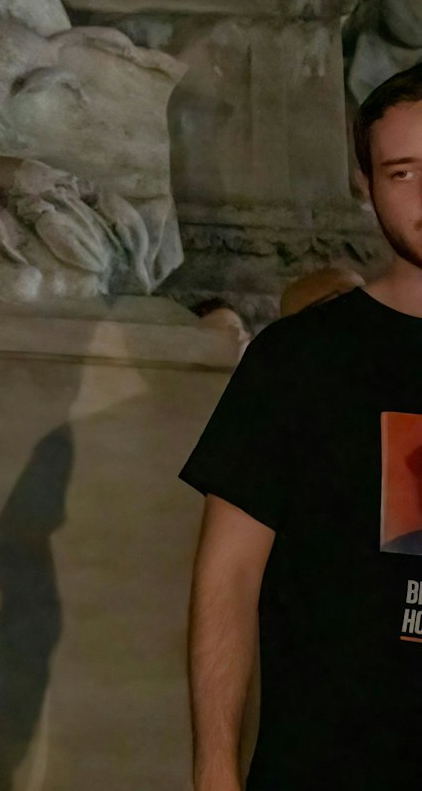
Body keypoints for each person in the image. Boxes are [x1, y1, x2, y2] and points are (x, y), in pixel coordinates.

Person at [184, 63, 422, 790]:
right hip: (329, 762)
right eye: (404, 172)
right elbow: (228, 577)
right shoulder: (300, 362)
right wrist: (216, 770)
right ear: (367, 184)